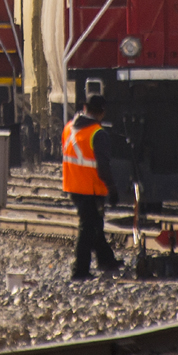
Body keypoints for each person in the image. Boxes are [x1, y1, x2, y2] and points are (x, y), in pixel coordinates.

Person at [62, 94, 123, 280]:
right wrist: (112, 189)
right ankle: (79, 271)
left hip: (73, 185)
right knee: (88, 228)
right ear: (102, 113)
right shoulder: (98, 133)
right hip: (91, 188)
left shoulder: (69, 128)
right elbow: (103, 167)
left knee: (95, 224)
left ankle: (106, 260)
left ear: (84, 107)